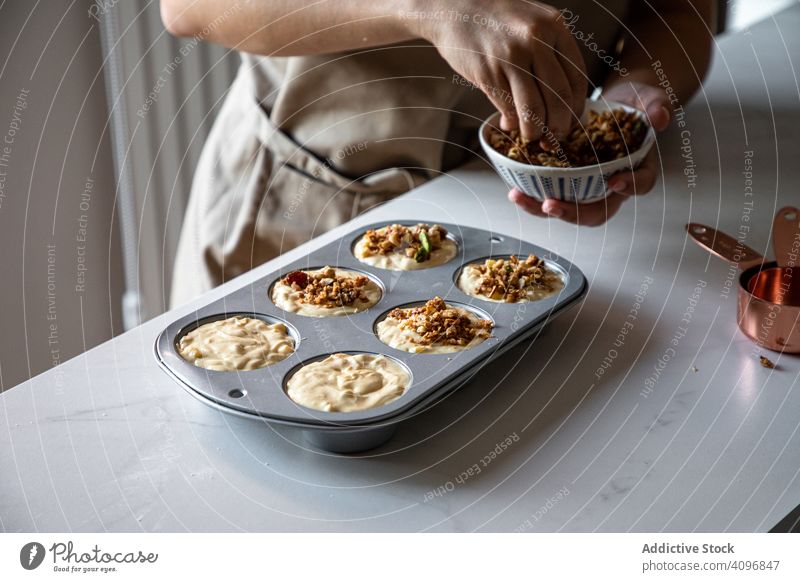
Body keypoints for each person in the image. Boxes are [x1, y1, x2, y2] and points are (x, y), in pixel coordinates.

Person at [161, 0, 714, 306]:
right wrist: (427, 7)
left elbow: (679, 12)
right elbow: (190, 7)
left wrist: (632, 105)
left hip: (531, 216)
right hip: (301, 202)